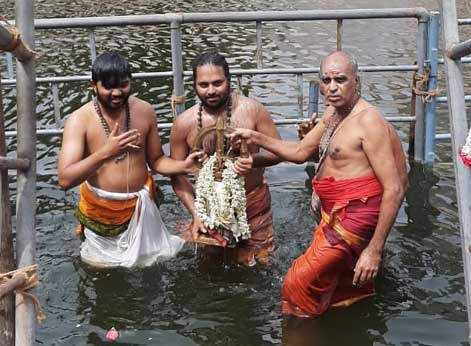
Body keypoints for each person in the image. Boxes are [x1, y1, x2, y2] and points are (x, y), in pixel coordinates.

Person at [230, 50, 408, 317]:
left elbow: (394, 186)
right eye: (326, 80)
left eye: (340, 79)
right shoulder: (333, 113)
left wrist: (374, 250)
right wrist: (255, 140)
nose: (332, 88)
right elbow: (301, 152)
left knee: (295, 284)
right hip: (334, 211)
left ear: (357, 82)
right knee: (342, 280)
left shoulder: (369, 121)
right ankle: (347, 318)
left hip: (355, 215)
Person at [58, 51, 202, 268]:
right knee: (101, 273)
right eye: (108, 87)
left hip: (141, 210)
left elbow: (156, 161)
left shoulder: (144, 111)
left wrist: (183, 165)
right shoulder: (79, 120)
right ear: (93, 85)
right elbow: (65, 179)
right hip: (102, 217)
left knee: (155, 266)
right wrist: (107, 152)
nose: (116, 93)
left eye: (123, 85)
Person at [169, 52, 282, 266]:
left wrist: (253, 160)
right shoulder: (184, 123)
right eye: (203, 85)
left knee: (260, 265)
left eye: (217, 83)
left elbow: (279, 152)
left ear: (228, 81)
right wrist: (197, 213)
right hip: (208, 210)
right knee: (208, 268)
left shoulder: (253, 111)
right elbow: (176, 175)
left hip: (252, 205)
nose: (210, 91)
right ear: (194, 85)